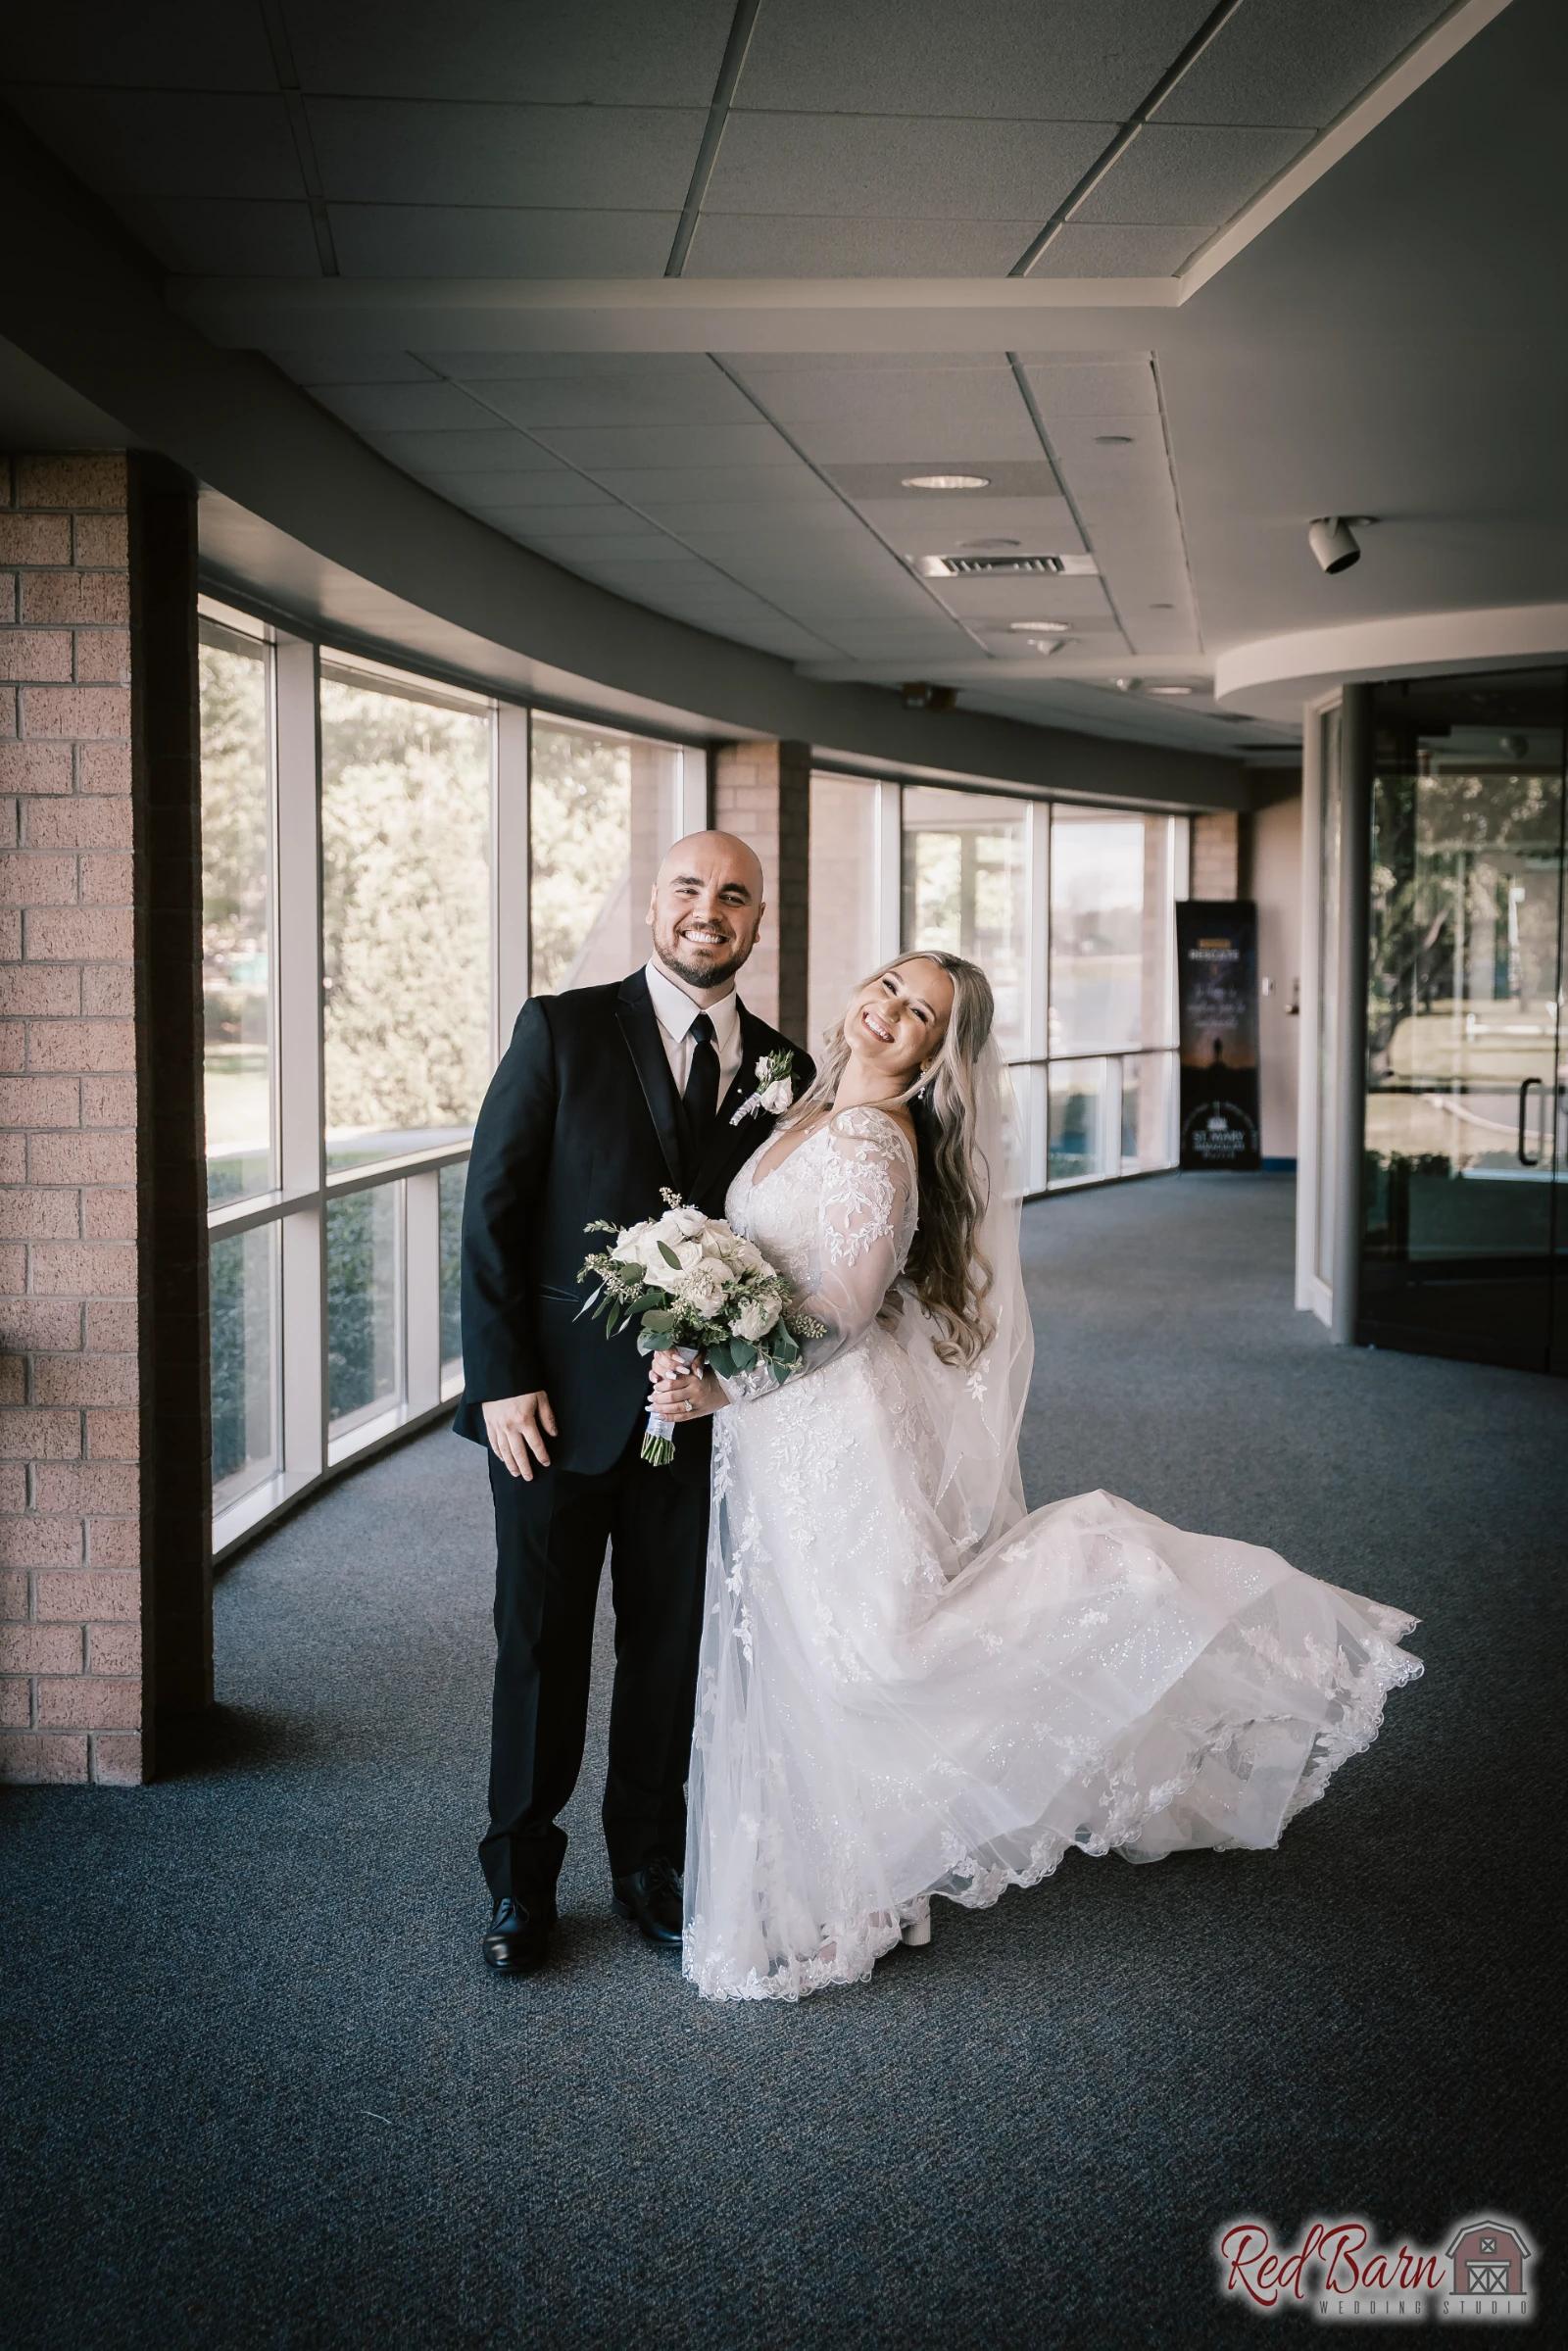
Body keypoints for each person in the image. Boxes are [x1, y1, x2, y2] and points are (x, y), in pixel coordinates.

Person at [651, 952, 1424, 2002]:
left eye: (917, 1012)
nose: (886, 1010)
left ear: (935, 1053)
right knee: (810, 1646)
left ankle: (1125, 1588)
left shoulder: (878, 1143)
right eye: (884, 985)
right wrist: (692, 1326)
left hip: (829, 1422)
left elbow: (836, 1312)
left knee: (878, 1650)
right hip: (779, 1427)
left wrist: (726, 1387)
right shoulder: (808, 1105)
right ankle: (864, 1865)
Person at [455, 831, 811, 1978]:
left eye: (735, 897)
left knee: (671, 1646)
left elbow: (792, 1253)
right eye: (690, 889)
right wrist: (502, 1376)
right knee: (540, 1647)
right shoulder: (559, 1028)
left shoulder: (787, 1072)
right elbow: (494, 1213)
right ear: (653, 903)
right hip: (550, 1410)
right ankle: (520, 1876)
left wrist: (734, 1375)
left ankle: (649, 1863)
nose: (709, 910)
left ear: (757, 922)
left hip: (699, 1421)